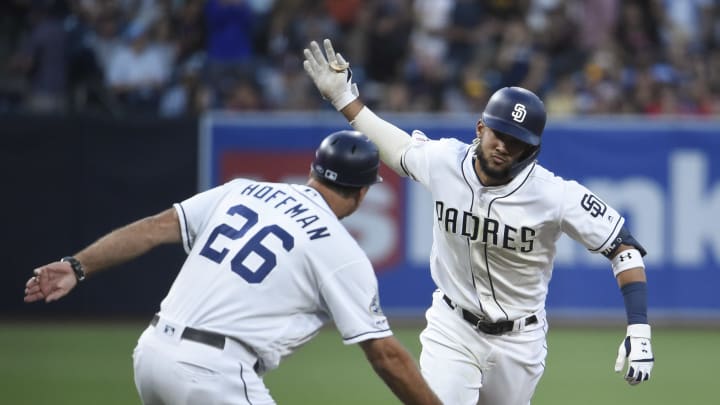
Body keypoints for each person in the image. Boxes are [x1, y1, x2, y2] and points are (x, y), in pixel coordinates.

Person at [303, 39, 655, 405]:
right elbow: (397, 148)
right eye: (498, 133)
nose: (503, 145)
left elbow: (624, 248)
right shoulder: (444, 161)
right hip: (452, 327)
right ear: (480, 128)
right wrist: (344, 97)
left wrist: (640, 328)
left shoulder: (553, 195)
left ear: (531, 150)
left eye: (516, 141)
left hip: (521, 341)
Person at [24, 130, 441, 405]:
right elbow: (386, 355)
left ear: (313, 170)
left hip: (151, 353)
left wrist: (77, 266)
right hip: (211, 373)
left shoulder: (242, 190)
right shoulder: (340, 250)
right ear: (364, 192)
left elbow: (153, 230)